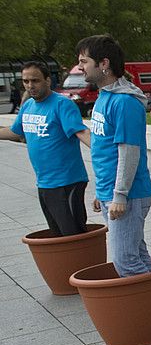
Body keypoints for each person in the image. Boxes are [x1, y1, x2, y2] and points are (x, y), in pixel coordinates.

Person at [79, 35, 151, 277]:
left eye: (84, 61)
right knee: (137, 254)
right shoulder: (104, 96)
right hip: (111, 193)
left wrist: (119, 195)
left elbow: (129, 151)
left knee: (125, 261)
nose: (80, 67)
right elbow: (104, 149)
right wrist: (102, 193)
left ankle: (145, 312)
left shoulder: (124, 102)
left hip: (129, 195)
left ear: (104, 63)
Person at [0, 61, 92, 235]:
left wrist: (106, 155)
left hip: (68, 182)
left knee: (73, 236)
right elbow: (15, 132)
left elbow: (81, 132)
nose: (30, 86)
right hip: (44, 183)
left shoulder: (62, 104)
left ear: (48, 81)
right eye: (26, 81)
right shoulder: (28, 106)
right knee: (57, 234)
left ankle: (82, 264)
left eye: (35, 80)